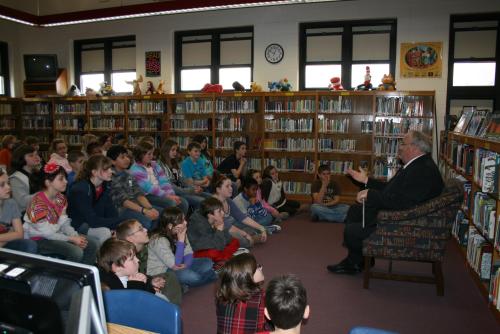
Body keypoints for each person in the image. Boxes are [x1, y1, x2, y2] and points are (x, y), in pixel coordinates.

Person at [327, 131, 444, 274]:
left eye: (403, 144)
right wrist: (366, 181)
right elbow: (391, 190)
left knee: (353, 230)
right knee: (354, 211)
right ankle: (358, 260)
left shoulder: (422, 171)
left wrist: (370, 194)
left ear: (414, 148)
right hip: (402, 216)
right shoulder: (417, 165)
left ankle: (355, 262)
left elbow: (403, 202)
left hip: (402, 223)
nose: (399, 147)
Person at [23, 163, 98, 264]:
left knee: (92, 244)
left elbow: (64, 223)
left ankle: (81, 276)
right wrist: (71, 239)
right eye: (61, 179)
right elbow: (47, 233)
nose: (66, 182)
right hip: (39, 239)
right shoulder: (36, 204)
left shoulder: (61, 198)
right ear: (48, 182)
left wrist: (75, 236)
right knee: (75, 252)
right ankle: (64, 279)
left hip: (56, 234)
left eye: (65, 178)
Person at [115, 219, 183, 305]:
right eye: (140, 229)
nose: (146, 229)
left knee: (172, 276)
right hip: (136, 288)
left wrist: (151, 281)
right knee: (175, 276)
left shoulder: (144, 247)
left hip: (149, 278)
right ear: (130, 238)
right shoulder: (125, 256)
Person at [147, 207, 217, 289]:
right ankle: (211, 276)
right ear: (170, 226)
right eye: (182, 221)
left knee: (207, 262)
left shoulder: (179, 231)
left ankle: (185, 283)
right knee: (192, 277)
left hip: (178, 264)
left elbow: (188, 252)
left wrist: (186, 264)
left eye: (185, 219)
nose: (186, 223)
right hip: (163, 272)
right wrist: (181, 240)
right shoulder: (158, 240)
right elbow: (175, 265)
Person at [67, 155, 121, 245]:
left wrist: (117, 225)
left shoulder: (105, 185)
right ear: (94, 172)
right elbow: (92, 220)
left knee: (121, 228)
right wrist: (119, 221)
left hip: (93, 222)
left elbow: (110, 210)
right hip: (79, 225)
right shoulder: (80, 189)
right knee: (104, 232)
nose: (111, 171)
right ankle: (100, 258)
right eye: (106, 169)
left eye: (110, 168)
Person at [129, 141, 189, 215]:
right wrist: (168, 196)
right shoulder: (135, 169)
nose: (152, 156)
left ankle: (180, 223)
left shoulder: (155, 164)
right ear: (141, 155)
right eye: (149, 154)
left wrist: (171, 194)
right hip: (147, 195)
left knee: (183, 203)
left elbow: (164, 181)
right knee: (171, 203)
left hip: (160, 192)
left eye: (152, 153)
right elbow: (149, 188)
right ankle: (171, 224)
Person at [108, 145, 160, 230]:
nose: (127, 159)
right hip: (122, 210)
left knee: (160, 214)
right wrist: (144, 211)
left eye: (127, 156)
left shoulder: (128, 174)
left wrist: (150, 208)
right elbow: (124, 201)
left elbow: (138, 193)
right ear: (112, 161)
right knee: (147, 221)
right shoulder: (111, 176)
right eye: (122, 157)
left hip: (136, 206)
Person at [97, 238, 167, 300]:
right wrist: (136, 285)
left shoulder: (127, 274)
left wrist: (148, 284)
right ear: (117, 267)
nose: (138, 260)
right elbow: (133, 306)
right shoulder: (113, 289)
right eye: (132, 259)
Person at [212, 172, 267, 249]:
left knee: (250, 227)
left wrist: (261, 228)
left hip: (231, 227)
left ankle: (249, 238)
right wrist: (245, 234)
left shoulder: (228, 200)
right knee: (237, 236)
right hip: (218, 232)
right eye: (227, 186)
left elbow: (242, 217)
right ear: (218, 189)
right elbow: (227, 227)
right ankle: (250, 240)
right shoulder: (213, 203)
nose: (231, 188)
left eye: (231, 185)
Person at [215, 253, 267, 334]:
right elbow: (266, 325)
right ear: (248, 277)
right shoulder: (261, 297)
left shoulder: (222, 295)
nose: (261, 267)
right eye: (257, 267)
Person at [187, 197, 242, 267]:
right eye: (219, 211)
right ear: (210, 215)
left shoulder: (214, 219)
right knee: (214, 253)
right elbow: (218, 246)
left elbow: (228, 239)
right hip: (198, 251)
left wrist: (220, 230)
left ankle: (222, 260)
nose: (223, 213)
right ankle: (222, 259)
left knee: (235, 241)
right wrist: (219, 230)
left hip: (214, 244)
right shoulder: (199, 225)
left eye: (222, 210)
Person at [157, 139, 208, 210]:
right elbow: (170, 186)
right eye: (173, 150)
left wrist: (194, 188)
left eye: (176, 150)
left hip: (182, 190)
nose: (175, 152)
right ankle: (194, 220)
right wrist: (190, 190)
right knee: (200, 201)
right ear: (166, 150)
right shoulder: (160, 165)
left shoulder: (174, 163)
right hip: (173, 192)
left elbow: (183, 180)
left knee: (208, 197)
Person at [0, 168, 38, 254]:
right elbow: (15, 233)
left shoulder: (11, 203)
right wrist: (10, 234)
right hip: (6, 239)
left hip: (5, 242)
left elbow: (19, 234)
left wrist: (5, 239)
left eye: (8, 183)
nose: (8, 187)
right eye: (2, 185)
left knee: (29, 245)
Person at [9, 144, 42, 213]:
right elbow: (22, 202)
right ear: (21, 159)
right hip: (24, 216)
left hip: (38, 211)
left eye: (36, 154)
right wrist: (45, 193)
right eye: (31, 155)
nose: (36, 157)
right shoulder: (16, 178)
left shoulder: (38, 173)